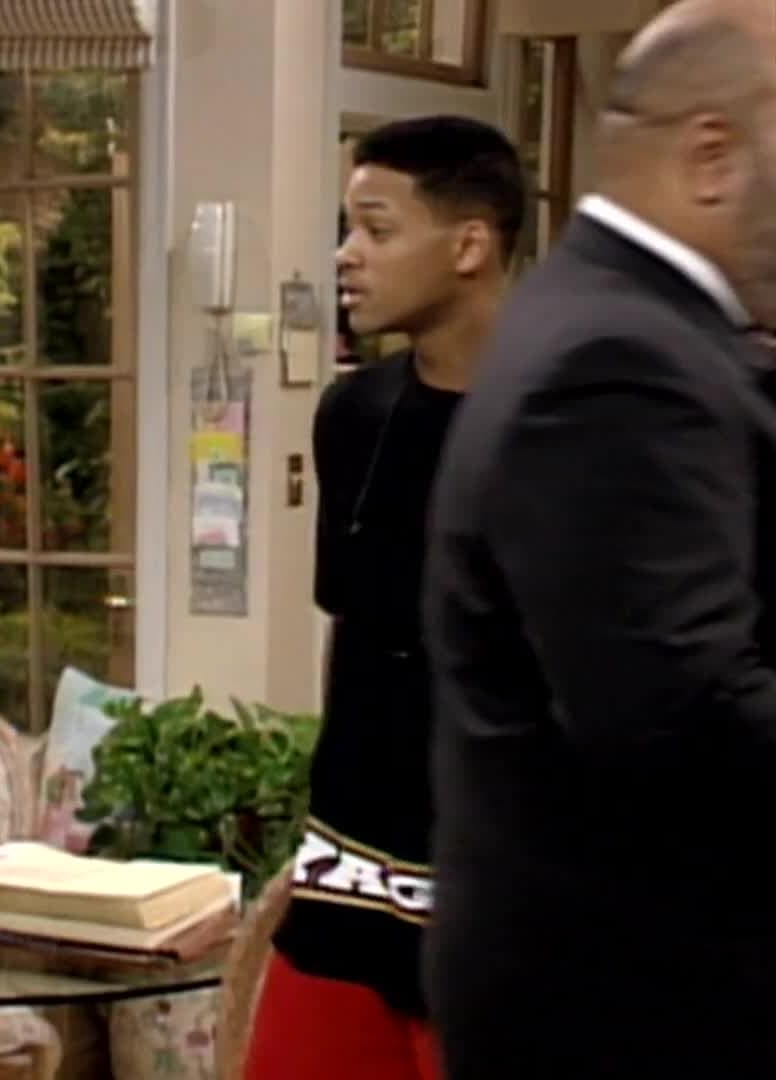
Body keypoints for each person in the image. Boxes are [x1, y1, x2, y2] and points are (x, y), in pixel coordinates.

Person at [423, 2, 776, 1077]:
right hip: (638, 1014)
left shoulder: (627, 323)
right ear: (713, 157)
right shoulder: (618, 361)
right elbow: (685, 720)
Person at [243, 116, 524, 1080]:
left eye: (376, 228)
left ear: (470, 244)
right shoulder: (353, 414)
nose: (345, 254)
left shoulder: (575, 423)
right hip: (348, 877)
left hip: (505, 898)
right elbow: (354, 635)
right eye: (346, 228)